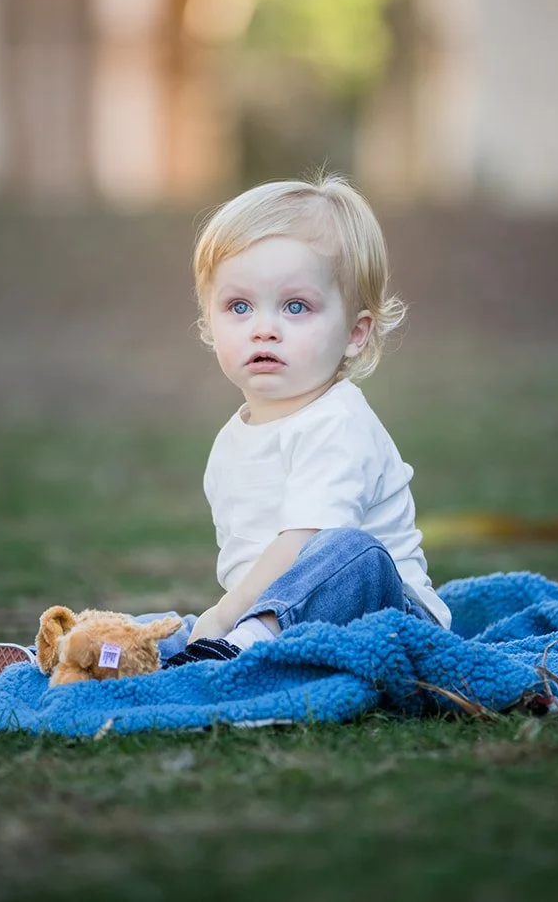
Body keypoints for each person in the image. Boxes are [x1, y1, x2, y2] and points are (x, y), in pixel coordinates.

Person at [159, 174, 451, 668]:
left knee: (350, 549)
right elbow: (245, 565)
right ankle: (87, 652)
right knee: (165, 627)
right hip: (271, 619)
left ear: (355, 333)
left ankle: (237, 645)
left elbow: (302, 545)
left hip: (389, 621)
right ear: (208, 324)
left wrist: (225, 615)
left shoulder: (338, 422)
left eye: (296, 307)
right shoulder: (232, 440)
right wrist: (222, 617)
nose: (264, 329)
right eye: (239, 306)